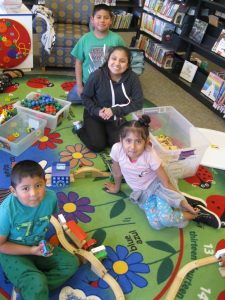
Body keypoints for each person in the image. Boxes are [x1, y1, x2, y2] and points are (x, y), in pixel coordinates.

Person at [104, 115, 221, 229]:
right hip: (143, 193)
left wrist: (183, 203)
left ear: (146, 141)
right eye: (128, 141)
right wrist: (116, 188)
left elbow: (166, 182)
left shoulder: (150, 155)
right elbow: (117, 172)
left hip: (158, 186)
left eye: (138, 141)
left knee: (167, 219)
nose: (132, 147)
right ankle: (183, 203)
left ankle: (197, 214)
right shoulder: (117, 149)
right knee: (156, 224)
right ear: (121, 140)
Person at [0, 160, 79, 300]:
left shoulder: (51, 198)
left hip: (38, 246)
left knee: (71, 263)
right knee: (36, 281)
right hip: (12, 252)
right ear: (14, 191)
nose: (34, 193)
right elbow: (1, 245)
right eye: (25, 188)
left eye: (38, 185)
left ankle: (31, 286)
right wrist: (30, 251)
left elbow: (45, 220)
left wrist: (36, 249)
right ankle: (34, 284)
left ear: (45, 182)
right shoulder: (6, 211)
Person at [75, 45, 143, 152]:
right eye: (114, 58)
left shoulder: (133, 78)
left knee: (119, 145)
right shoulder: (97, 75)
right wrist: (97, 111)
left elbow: (138, 103)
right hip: (94, 115)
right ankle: (80, 129)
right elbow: (85, 97)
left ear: (128, 64)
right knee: (98, 145)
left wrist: (114, 111)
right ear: (108, 59)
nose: (117, 64)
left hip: (116, 117)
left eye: (122, 61)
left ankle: (104, 133)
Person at [67, 4, 126, 104]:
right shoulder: (85, 39)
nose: (102, 20)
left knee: (116, 101)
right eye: (98, 17)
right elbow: (78, 63)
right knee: (71, 99)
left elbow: (124, 61)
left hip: (109, 83)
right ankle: (95, 99)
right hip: (87, 83)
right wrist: (80, 86)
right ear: (92, 19)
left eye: (106, 18)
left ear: (111, 20)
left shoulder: (117, 39)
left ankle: (98, 99)